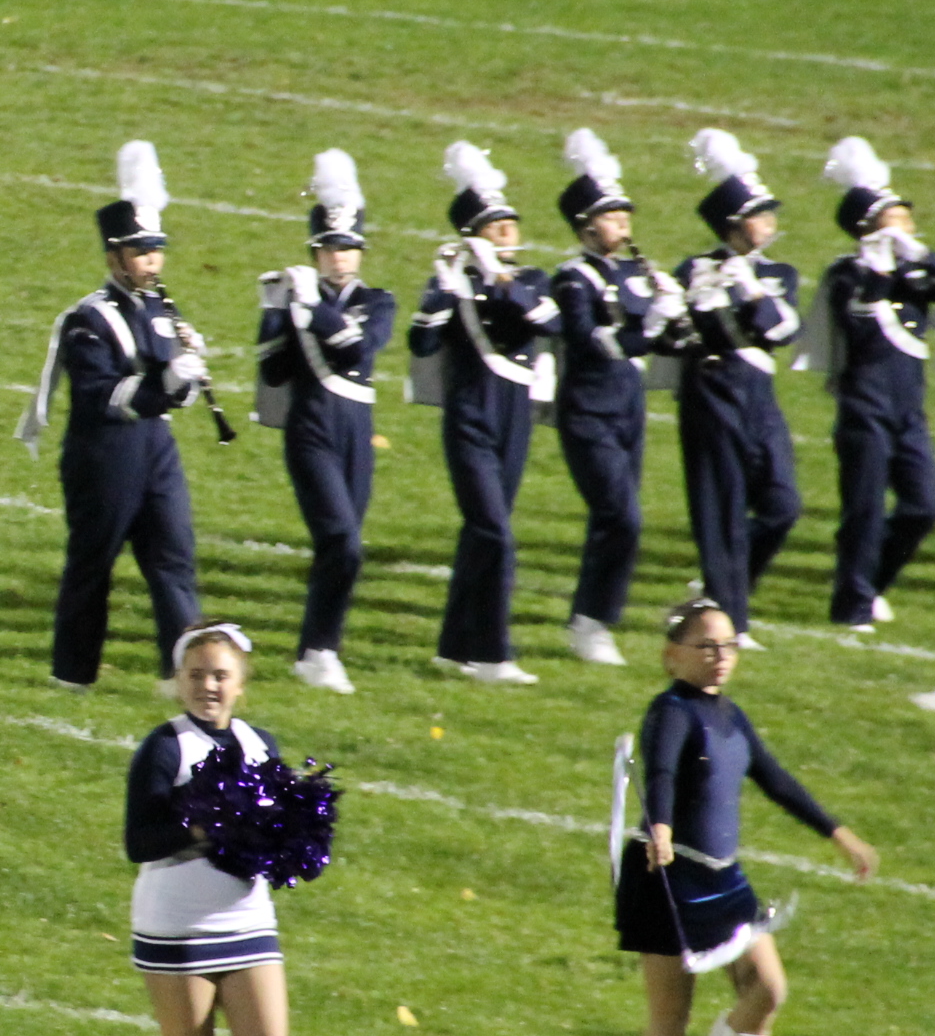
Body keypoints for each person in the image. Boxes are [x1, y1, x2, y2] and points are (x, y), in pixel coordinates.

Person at [623, 597, 876, 1036]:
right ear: (671, 656)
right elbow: (660, 773)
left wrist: (838, 834)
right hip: (667, 874)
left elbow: (773, 777)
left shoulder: (729, 715)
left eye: (729, 645)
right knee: (671, 1014)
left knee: (768, 989)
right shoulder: (669, 712)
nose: (720, 656)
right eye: (706, 646)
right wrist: (662, 827)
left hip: (721, 877)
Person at [125, 623, 295, 1036]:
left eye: (220, 675)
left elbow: (281, 825)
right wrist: (205, 824)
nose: (208, 686)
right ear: (179, 682)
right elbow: (139, 841)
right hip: (178, 923)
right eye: (196, 675)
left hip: (247, 917)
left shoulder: (260, 743)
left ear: (240, 683)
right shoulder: (164, 747)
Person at [29, 141, 208, 694]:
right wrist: (168, 381)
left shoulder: (163, 310)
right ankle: (72, 673)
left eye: (157, 249)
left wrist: (191, 377)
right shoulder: (89, 319)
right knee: (93, 563)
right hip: (103, 453)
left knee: (174, 558)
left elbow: (174, 397)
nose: (152, 260)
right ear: (114, 257)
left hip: (157, 448)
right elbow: (102, 395)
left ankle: (182, 672)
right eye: (140, 250)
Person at [409, 142, 556, 685]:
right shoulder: (453, 284)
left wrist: (498, 277)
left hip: (515, 414)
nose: (508, 234)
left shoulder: (531, 278)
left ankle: (453, 647)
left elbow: (548, 321)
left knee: (482, 532)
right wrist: (444, 294)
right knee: (494, 532)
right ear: (474, 235)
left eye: (510, 225)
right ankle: (495, 655)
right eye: (497, 228)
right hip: (471, 412)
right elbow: (421, 344)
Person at [814, 140, 935, 633]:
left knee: (925, 502)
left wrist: (921, 254)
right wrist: (882, 268)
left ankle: (871, 581)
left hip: (909, 411)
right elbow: (860, 325)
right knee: (863, 511)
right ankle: (852, 607)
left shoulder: (913, 270)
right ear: (870, 228)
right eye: (896, 218)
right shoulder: (847, 275)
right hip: (865, 409)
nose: (908, 224)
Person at [255, 151, 395, 696]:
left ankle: (314, 650)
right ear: (316, 253)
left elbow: (358, 349)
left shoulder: (378, 300)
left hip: (356, 430)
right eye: (330, 249)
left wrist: (309, 307)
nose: (340, 258)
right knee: (342, 540)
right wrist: (273, 311)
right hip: (311, 427)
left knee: (342, 546)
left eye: (348, 248)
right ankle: (321, 651)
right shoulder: (297, 300)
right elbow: (272, 371)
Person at [550, 132, 681, 669]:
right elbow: (592, 341)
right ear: (586, 226)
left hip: (629, 406)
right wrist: (650, 324)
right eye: (611, 217)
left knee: (620, 517)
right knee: (620, 515)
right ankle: (590, 621)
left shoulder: (633, 275)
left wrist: (676, 315)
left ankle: (596, 616)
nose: (623, 225)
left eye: (625, 215)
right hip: (588, 408)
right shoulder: (571, 279)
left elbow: (660, 343)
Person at [673, 131, 804, 647]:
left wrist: (747, 289)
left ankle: (722, 585)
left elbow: (781, 329)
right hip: (711, 391)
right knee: (720, 507)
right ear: (733, 225)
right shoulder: (694, 270)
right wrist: (704, 296)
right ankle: (732, 618)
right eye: (759, 216)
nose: (770, 224)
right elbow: (683, 332)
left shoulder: (779, 273)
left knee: (783, 503)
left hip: (759, 394)